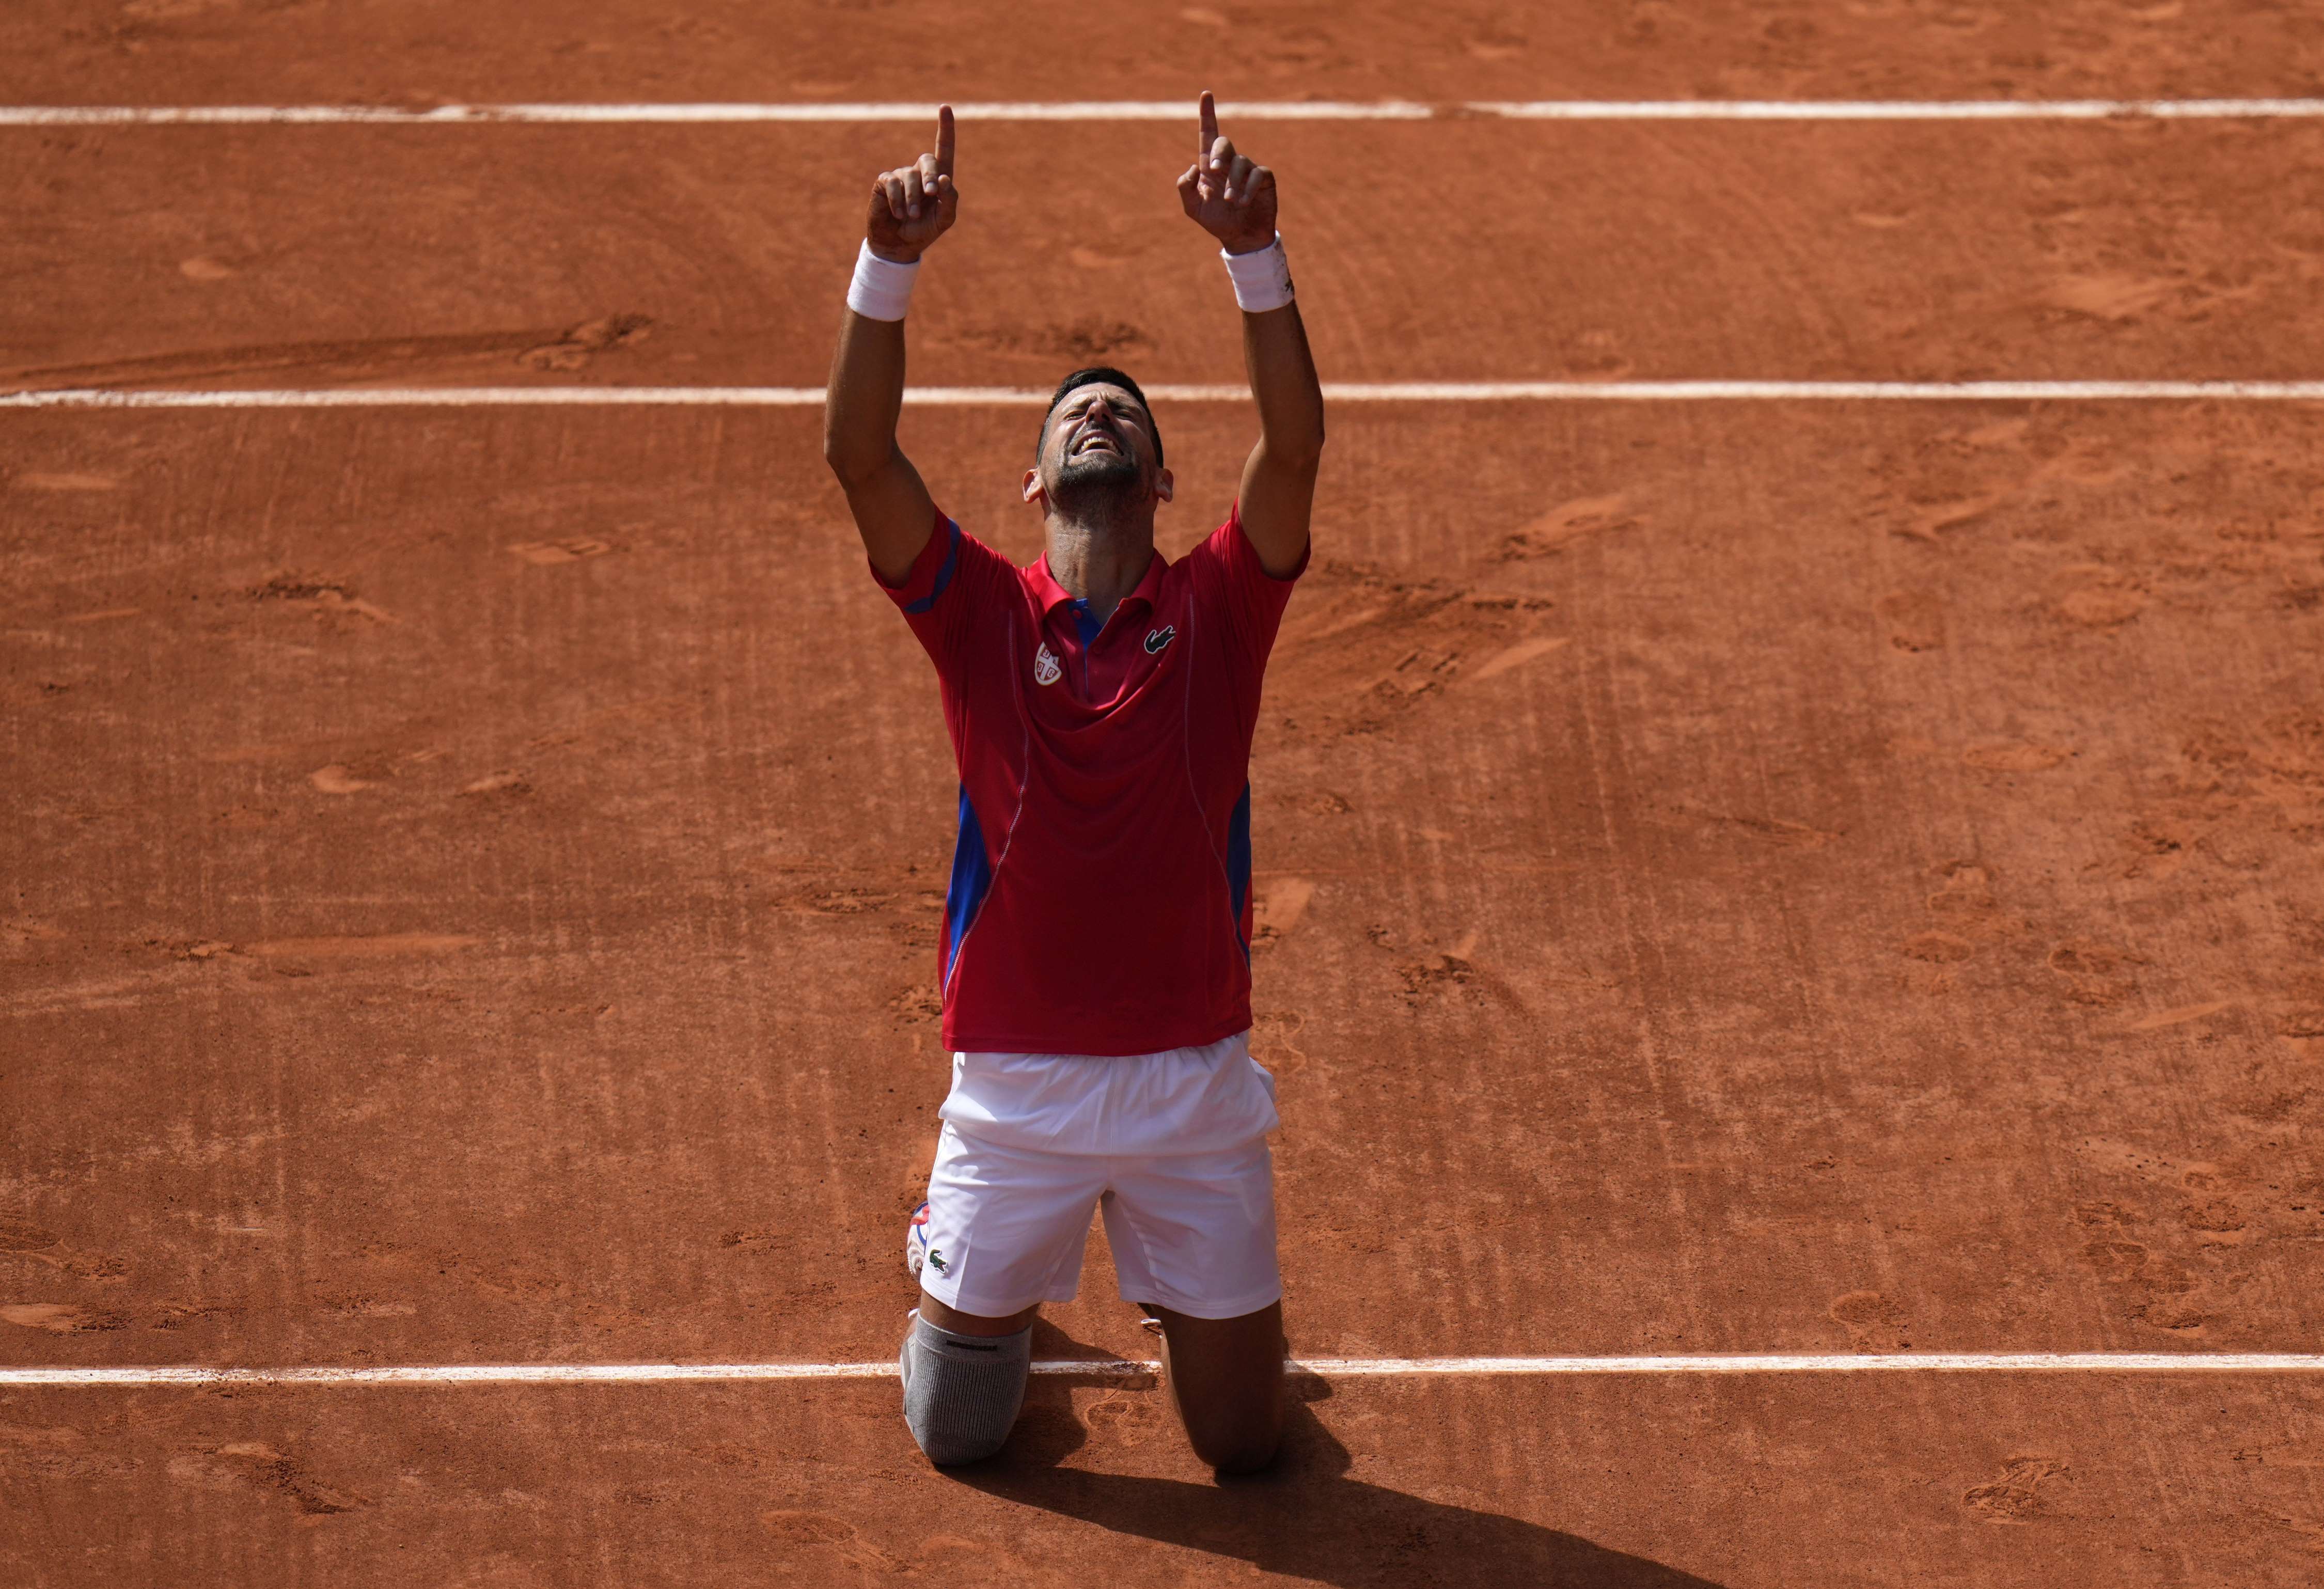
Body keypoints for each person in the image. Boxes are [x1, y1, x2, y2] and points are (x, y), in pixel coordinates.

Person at [822, 91, 1324, 1475]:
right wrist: (889, 264)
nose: (1094, 409)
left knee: (1244, 1448)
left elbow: (1291, 452)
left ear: (1162, 480)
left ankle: (1189, 1317)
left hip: (1190, 1084)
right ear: (1033, 486)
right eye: (1071, 411)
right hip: (1016, 1090)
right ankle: (970, 1268)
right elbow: (860, 458)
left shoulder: (1220, 607)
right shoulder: (978, 611)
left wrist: (1253, 258)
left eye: (1120, 411)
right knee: (958, 1434)